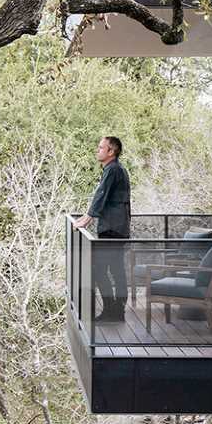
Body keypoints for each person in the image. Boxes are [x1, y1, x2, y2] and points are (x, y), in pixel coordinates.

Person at [74, 135, 132, 322]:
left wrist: (87, 219)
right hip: (117, 228)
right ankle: (116, 311)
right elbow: (103, 197)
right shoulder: (116, 169)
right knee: (116, 270)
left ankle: (112, 310)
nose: (97, 150)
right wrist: (86, 216)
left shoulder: (113, 169)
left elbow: (101, 194)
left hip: (113, 229)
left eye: (101, 147)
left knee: (99, 270)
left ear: (111, 151)